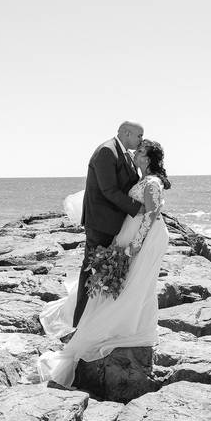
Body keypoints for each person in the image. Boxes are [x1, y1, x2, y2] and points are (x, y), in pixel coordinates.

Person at [37, 139, 172, 388]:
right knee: (130, 282)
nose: (135, 154)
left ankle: (128, 326)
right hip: (132, 233)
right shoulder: (143, 179)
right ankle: (125, 322)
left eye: (140, 152)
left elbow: (151, 215)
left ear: (148, 158)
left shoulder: (152, 182)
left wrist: (137, 244)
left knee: (137, 283)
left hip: (146, 238)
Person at [74, 121, 145, 327]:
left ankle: (98, 318)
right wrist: (137, 208)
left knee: (105, 271)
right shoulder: (107, 151)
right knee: (90, 271)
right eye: (139, 136)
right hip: (100, 224)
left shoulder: (124, 154)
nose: (141, 140)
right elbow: (109, 190)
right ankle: (78, 322)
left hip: (113, 222)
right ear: (126, 133)